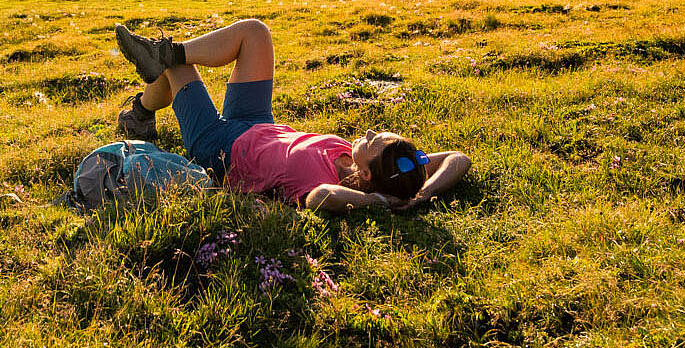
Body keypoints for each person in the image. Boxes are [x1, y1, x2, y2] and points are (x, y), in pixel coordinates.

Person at [113, 18, 470, 214]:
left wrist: (377, 202)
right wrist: (420, 195)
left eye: (374, 142)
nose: (371, 131)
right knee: (255, 33)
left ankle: (142, 111)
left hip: (218, 148)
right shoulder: (369, 163)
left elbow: (320, 200)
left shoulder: (325, 183)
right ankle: (164, 54)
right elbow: (459, 158)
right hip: (256, 123)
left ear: (365, 173)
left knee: (178, 69)